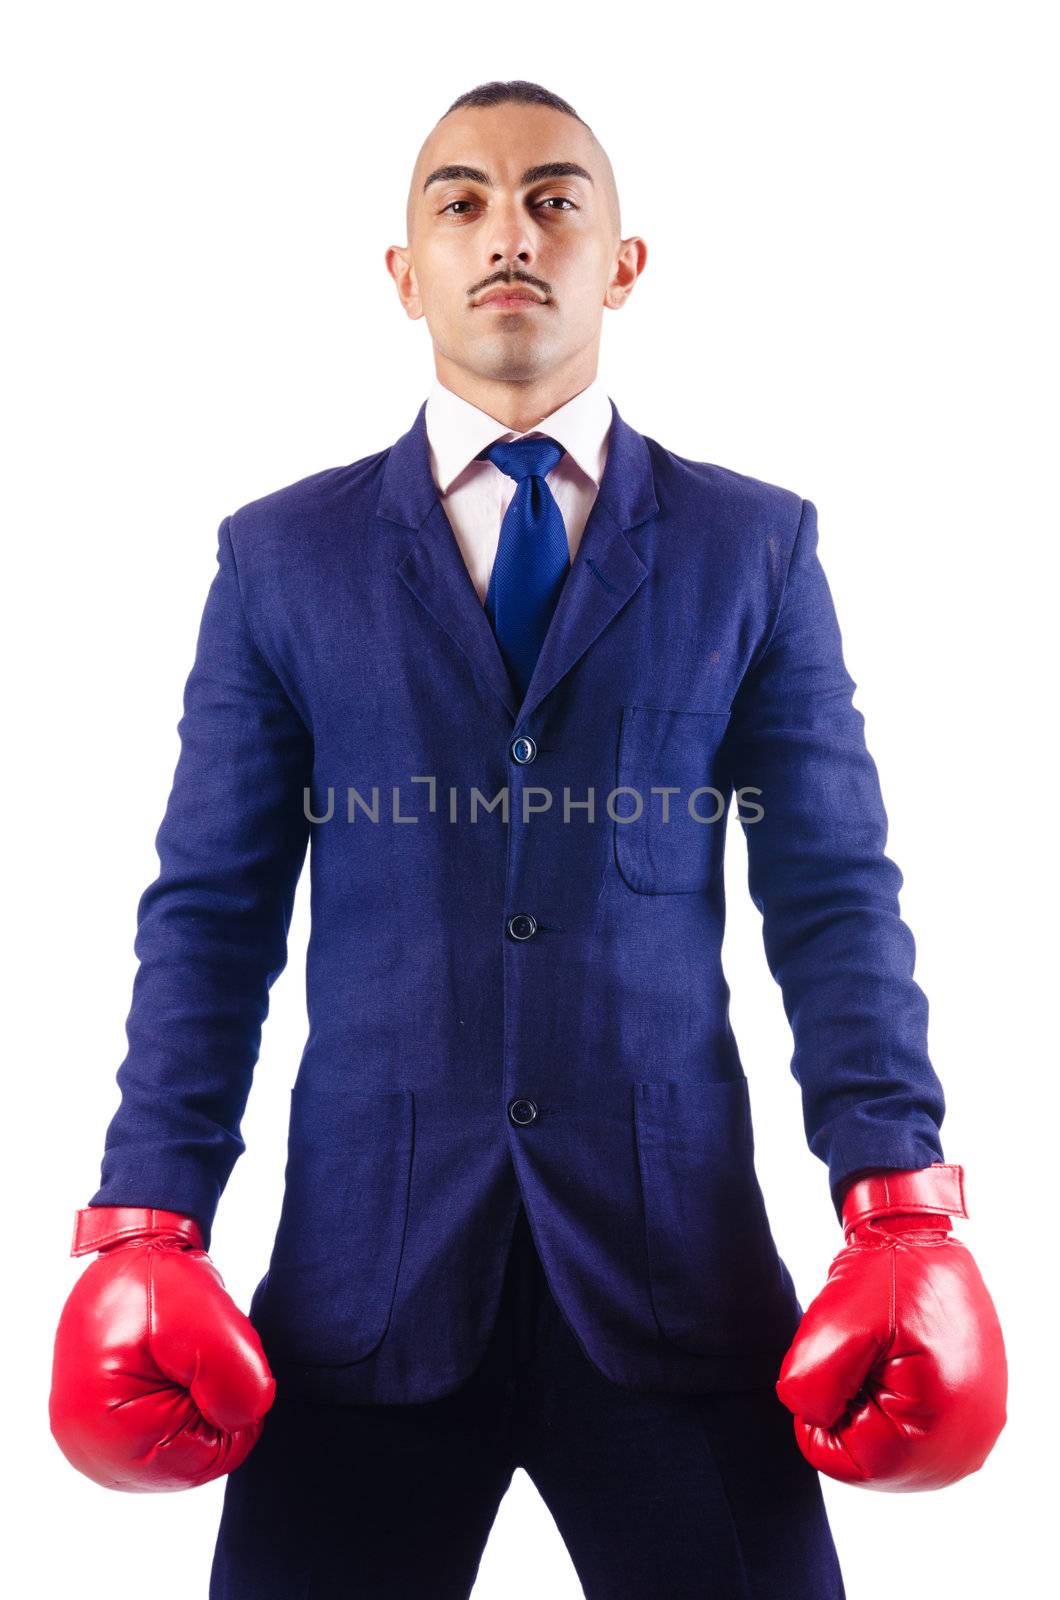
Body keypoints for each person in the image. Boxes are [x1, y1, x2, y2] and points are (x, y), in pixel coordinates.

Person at [50, 79, 1006, 1599]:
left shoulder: (752, 548)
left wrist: (898, 1197)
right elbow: (212, 916)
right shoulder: (278, 560)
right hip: (364, 1283)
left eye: (556, 198)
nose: (510, 231)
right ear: (403, 271)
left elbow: (831, 894)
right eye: (463, 202)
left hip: (669, 1271)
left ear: (623, 262)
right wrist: (144, 1215)